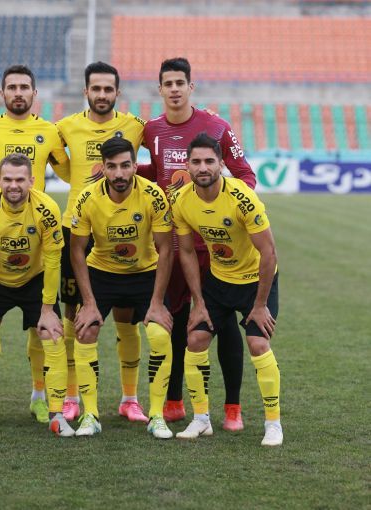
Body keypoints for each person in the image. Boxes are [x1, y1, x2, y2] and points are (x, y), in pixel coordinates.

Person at [140, 57, 256, 431]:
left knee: (221, 322)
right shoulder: (151, 130)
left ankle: (232, 408)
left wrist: (221, 213)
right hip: (173, 246)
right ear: (160, 89)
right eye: (168, 83)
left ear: (191, 87)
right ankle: (174, 401)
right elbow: (156, 171)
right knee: (176, 321)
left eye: (181, 83)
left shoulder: (217, 127)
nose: (174, 89)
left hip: (215, 250)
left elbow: (246, 176)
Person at [0, 64, 70, 423]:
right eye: (12, 87)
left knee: (44, 330)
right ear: (2, 93)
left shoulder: (49, 131)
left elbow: (73, 172)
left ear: (34, 93)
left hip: (35, 249)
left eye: (24, 87)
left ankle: (39, 396)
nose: (18, 93)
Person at [172, 133, 282, 446]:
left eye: (209, 161)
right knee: (195, 339)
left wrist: (259, 305)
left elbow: (269, 252)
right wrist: (198, 302)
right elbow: (186, 251)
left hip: (255, 282)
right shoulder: (181, 200)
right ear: (187, 165)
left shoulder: (243, 197)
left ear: (221, 164)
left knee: (258, 344)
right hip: (219, 281)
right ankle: (201, 419)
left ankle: (273, 423)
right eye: (196, 161)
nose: (203, 167)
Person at [55, 61, 146, 423]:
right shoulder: (66, 126)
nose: (102, 94)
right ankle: (71, 397)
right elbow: (37, 145)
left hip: (120, 228)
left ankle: (129, 398)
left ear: (117, 93)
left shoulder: (135, 126)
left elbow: (170, 134)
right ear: (86, 91)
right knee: (74, 315)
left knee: (127, 316)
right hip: (77, 228)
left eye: (109, 89)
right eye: (96, 88)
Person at [71, 137, 174, 438]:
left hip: (145, 273)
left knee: (159, 334)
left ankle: (156, 415)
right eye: (112, 166)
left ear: (135, 166)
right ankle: (90, 414)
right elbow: (76, 250)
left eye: (125, 166)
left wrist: (157, 302)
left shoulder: (153, 195)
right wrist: (89, 303)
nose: (119, 173)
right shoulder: (87, 198)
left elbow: (166, 249)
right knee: (85, 330)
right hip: (102, 273)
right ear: (102, 168)